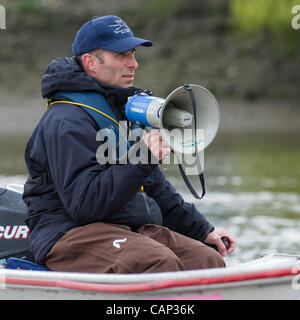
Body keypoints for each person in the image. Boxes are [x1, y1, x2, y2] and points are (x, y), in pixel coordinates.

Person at [23, 15, 236, 273]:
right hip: (67, 232)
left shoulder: (121, 111)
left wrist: (203, 230)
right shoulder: (66, 121)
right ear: (90, 62)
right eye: (121, 55)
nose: (133, 63)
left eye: (133, 54)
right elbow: (85, 206)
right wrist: (143, 156)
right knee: (158, 261)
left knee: (207, 260)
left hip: (124, 227)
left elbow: (155, 186)